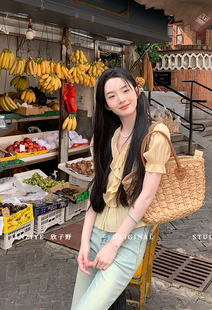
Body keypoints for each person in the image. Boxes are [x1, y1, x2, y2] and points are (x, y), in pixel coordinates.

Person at [70, 67, 171, 310]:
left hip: (126, 239)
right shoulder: (105, 137)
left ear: (137, 91)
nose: (121, 99)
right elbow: (97, 192)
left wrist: (114, 245)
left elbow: (145, 197)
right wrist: (84, 243)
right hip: (95, 234)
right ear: (105, 105)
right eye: (112, 95)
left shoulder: (155, 134)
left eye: (125, 90)